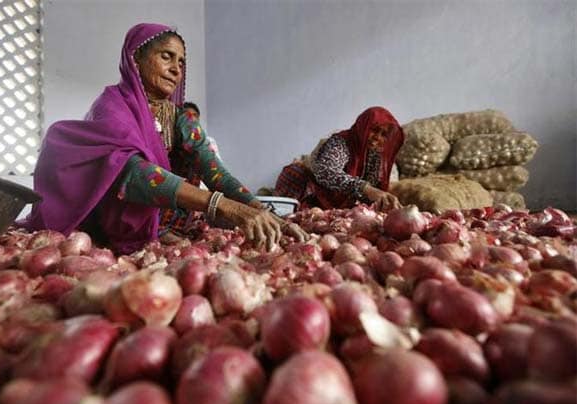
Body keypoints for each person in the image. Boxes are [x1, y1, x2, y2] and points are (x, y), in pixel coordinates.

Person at [21, 23, 306, 254]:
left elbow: (214, 170)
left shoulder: (180, 117)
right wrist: (224, 207)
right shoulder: (112, 106)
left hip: (168, 224)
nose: (176, 69)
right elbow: (131, 173)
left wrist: (259, 210)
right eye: (166, 56)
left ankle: (161, 230)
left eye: (181, 62)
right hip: (110, 221)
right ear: (136, 59)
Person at [274, 106, 404, 212]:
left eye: (384, 134)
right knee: (294, 172)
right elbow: (327, 172)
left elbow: (375, 189)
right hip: (319, 194)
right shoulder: (342, 142)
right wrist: (367, 189)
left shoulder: (376, 155)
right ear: (363, 127)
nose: (378, 138)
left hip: (345, 203)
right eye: (374, 130)